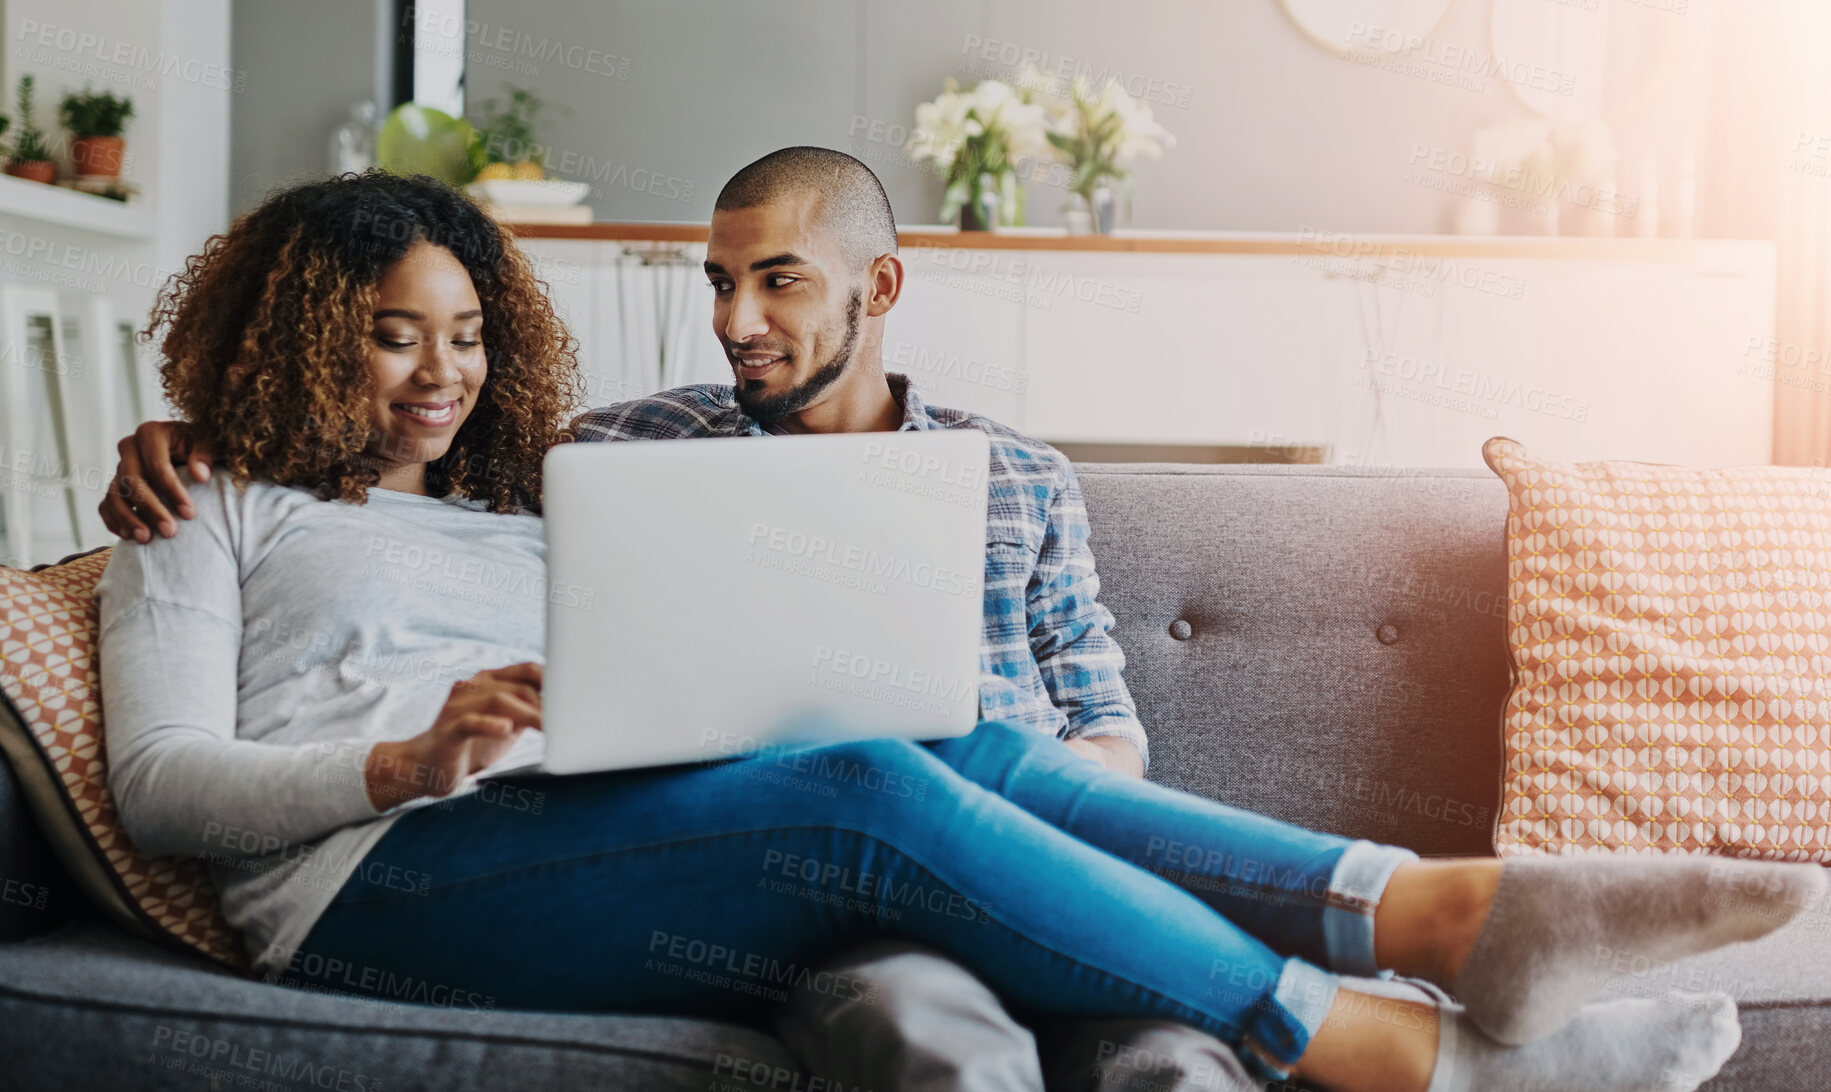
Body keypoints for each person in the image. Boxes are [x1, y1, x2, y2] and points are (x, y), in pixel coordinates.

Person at [97, 168, 1821, 1092]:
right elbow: (167, 787)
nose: (443, 372)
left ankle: (1431, 905)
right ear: (301, 335)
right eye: (396, 336)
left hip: (561, 832)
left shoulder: (548, 486)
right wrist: (403, 753)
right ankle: (1378, 1040)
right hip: (363, 884)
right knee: (862, 780)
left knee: (958, 745)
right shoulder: (200, 504)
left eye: (466, 334)